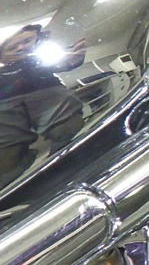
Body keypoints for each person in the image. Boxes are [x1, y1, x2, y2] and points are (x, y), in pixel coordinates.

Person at [0, 26, 86, 187]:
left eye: (27, 41)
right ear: (3, 57)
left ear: (39, 40)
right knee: (6, 158)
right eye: (12, 47)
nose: (21, 47)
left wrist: (74, 59)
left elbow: (62, 63)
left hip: (48, 94)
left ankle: (74, 165)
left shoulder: (40, 60)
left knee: (67, 129)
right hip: (6, 105)